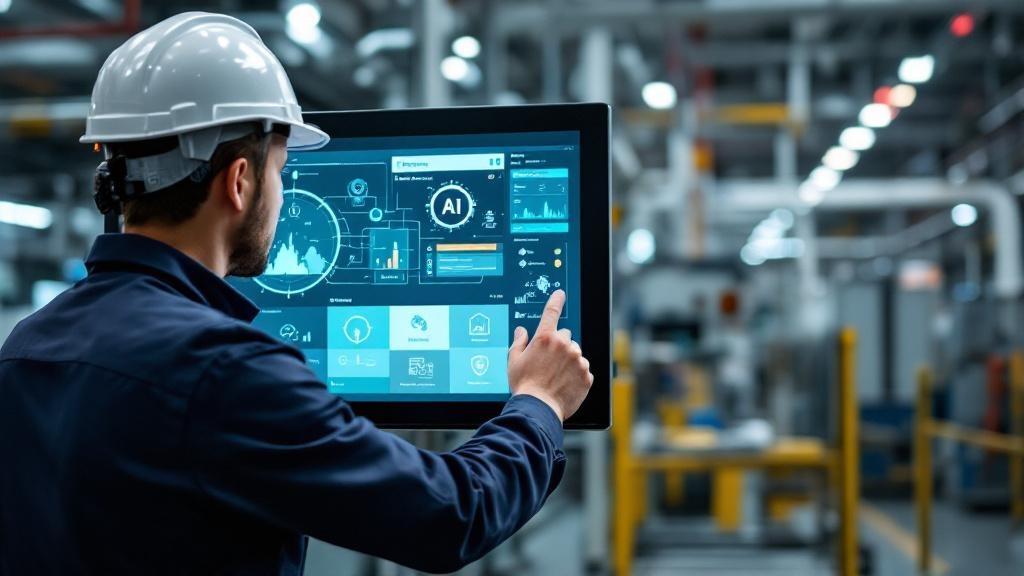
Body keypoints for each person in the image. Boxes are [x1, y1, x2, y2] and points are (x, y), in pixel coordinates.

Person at [0, 12, 593, 576]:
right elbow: (450, 514)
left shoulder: (26, 346)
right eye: (281, 171)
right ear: (239, 181)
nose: (280, 194)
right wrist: (539, 402)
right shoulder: (224, 369)